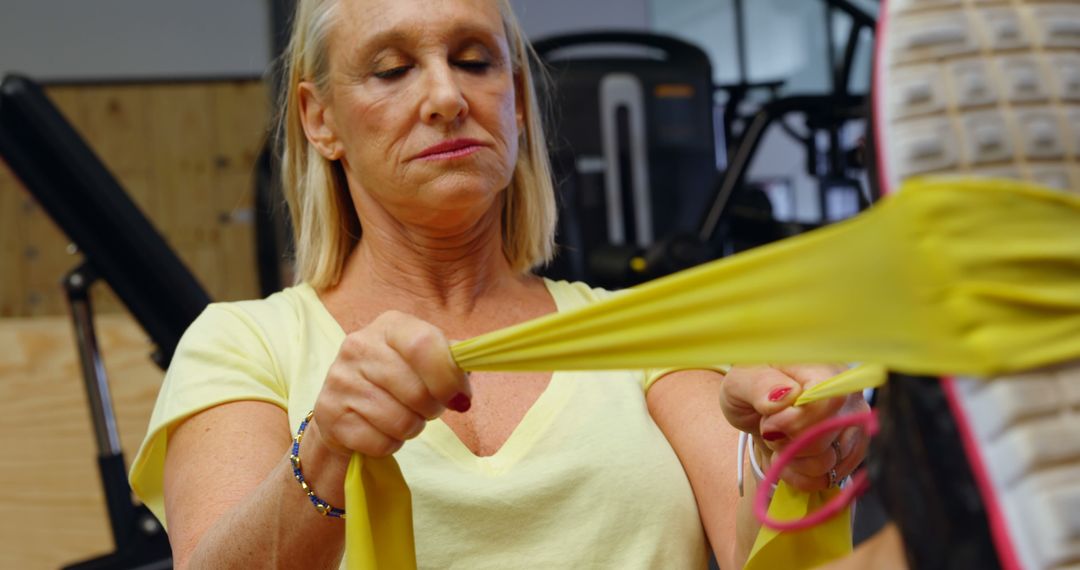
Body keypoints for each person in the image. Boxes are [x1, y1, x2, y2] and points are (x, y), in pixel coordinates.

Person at [129, 0, 870, 568]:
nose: (448, 96)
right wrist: (324, 448)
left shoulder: (632, 335)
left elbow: (759, 544)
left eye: (476, 60)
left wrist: (791, 458)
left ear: (516, 100)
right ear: (319, 119)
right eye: (391, 69)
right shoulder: (245, 342)